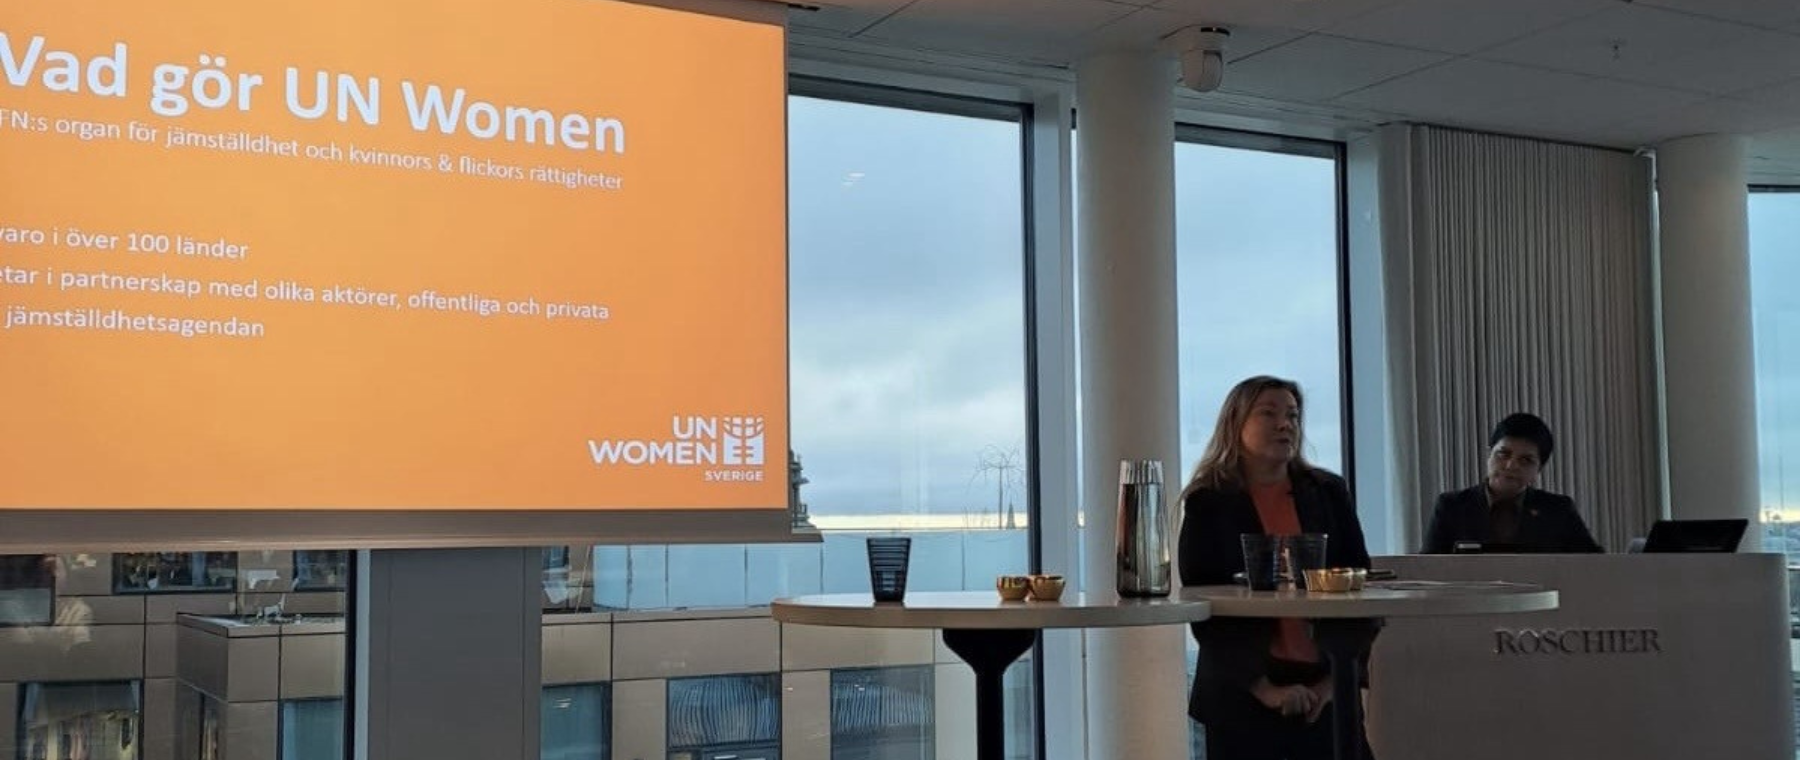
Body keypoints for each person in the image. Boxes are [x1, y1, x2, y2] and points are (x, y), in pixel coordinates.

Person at [1178, 375, 1373, 760]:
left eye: (1293, 415)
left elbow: (1360, 587)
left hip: (1328, 683)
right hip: (1242, 692)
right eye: (1269, 413)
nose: (1285, 424)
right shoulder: (1209, 501)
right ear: (1236, 424)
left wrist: (1333, 683)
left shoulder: (1327, 492)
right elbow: (1204, 606)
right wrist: (1264, 689)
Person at [1422, 412, 1602, 554]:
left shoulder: (1557, 510)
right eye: (1503, 454)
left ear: (1538, 469)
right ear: (1489, 455)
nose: (1511, 466)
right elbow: (1427, 570)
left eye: (1526, 460)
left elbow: (1594, 564)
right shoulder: (1452, 506)